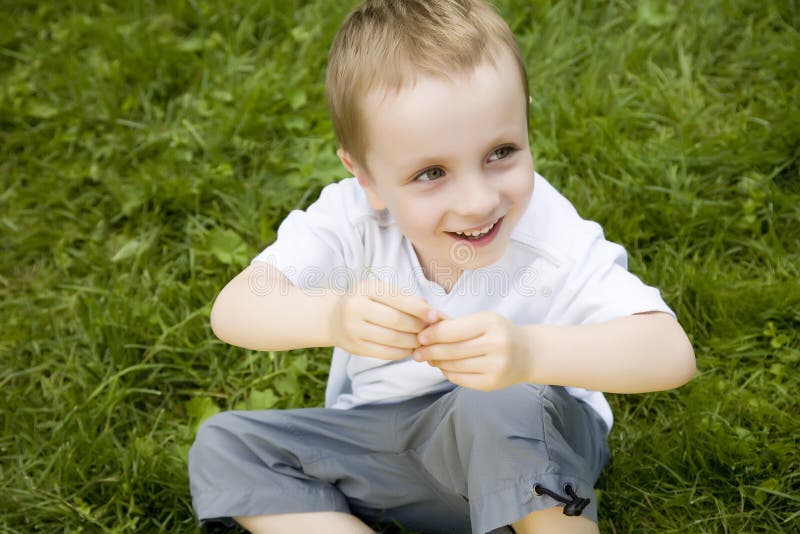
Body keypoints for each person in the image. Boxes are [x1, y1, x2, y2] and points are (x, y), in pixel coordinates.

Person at [188, 1, 696, 532]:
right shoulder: (350, 219)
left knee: (499, 405)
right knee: (226, 444)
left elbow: (670, 352)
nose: (478, 201)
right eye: (431, 172)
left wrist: (529, 354)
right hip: (386, 445)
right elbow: (236, 307)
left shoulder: (548, 233)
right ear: (365, 176)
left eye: (501, 152)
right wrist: (333, 317)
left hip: (527, 437)